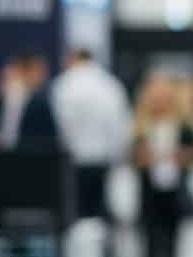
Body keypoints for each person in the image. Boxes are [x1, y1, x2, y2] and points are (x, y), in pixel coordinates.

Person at [50, 48, 133, 220]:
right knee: (99, 211)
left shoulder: (64, 84)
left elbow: (61, 125)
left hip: (72, 159)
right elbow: (120, 125)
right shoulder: (110, 85)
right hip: (102, 159)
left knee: (76, 211)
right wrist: (117, 156)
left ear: (72, 58)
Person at [131, 71, 193, 257]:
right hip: (149, 194)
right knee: (149, 243)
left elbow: (190, 156)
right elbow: (138, 158)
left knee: (174, 243)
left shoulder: (183, 126)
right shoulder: (141, 127)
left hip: (175, 193)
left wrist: (164, 156)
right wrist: (162, 156)